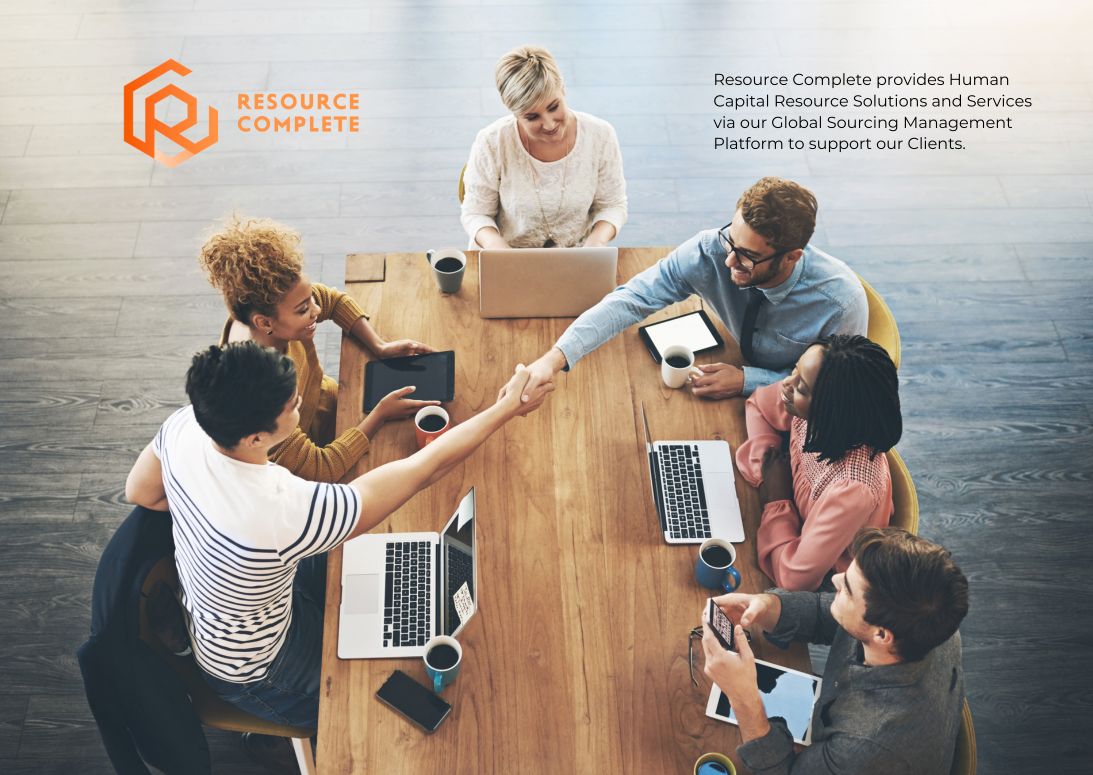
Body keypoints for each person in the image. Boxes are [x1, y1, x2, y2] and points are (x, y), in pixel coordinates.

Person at [124, 342, 551, 729]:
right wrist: (505, 409)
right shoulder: (280, 508)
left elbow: (138, 492)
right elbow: (424, 470)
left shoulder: (186, 425)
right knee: (365, 711)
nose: (300, 404)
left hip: (232, 611)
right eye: (293, 405)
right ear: (255, 438)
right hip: (257, 667)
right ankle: (271, 743)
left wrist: (208, 515)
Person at [520, 177, 867, 402]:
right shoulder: (712, 249)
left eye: (748, 257)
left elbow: (836, 389)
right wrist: (555, 358)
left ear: (791, 257)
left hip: (788, 407)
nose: (729, 261)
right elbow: (632, 299)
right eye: (731, 240)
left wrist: (747, 381)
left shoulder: (839, 303)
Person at [700, 527, 970, 775]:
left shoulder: (863, 747)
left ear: (881, 635)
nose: (836, 579)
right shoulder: (928, 622)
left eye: (848, 590)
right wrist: (767, 606)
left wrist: (744, 700)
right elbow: (828, 614)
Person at [199, 214, 438, 482]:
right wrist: (380, 415)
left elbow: (333, 301)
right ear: (264, 322)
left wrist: (379, 346)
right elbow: (322, 468)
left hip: (329, 403)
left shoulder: (271, 309)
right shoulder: (257, 397)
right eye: (304, 309)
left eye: (310, 298)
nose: (316, 310)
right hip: (306, 460)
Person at [736, 334, 901, 590]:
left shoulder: (852, 489)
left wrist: (777, 498)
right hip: (794, 529)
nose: (786, 383)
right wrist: (767, 467)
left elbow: (794, 579)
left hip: (830, 579)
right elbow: (759, 404)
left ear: (833, 410)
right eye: (795, 370)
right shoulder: (811, 410)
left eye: (802, 388)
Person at [460, 45, 627, 249]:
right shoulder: (491, 142)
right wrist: (499, 249)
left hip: (578, 255)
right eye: (532, 117)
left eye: (553, 107)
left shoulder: (601, 135)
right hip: (507, 253)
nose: (549, 125)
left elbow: (612, 205)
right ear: (514, 113)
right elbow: (476, 213)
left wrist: (596, 241)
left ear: (562, 88)